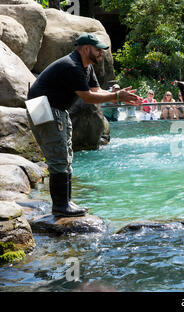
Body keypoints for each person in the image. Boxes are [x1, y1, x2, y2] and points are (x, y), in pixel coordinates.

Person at [26, 33, 141, 217]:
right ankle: (60, 207)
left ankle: (66, 203)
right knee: (59, 157)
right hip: (44, 108)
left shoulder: (86, 67)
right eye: (98, 49)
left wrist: (118, 95)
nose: (101, 53)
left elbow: (97, 91)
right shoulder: (71, 66)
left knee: (67, 156)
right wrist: (118, 97)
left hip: (57, 109)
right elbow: (87, 97)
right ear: (86, 48)